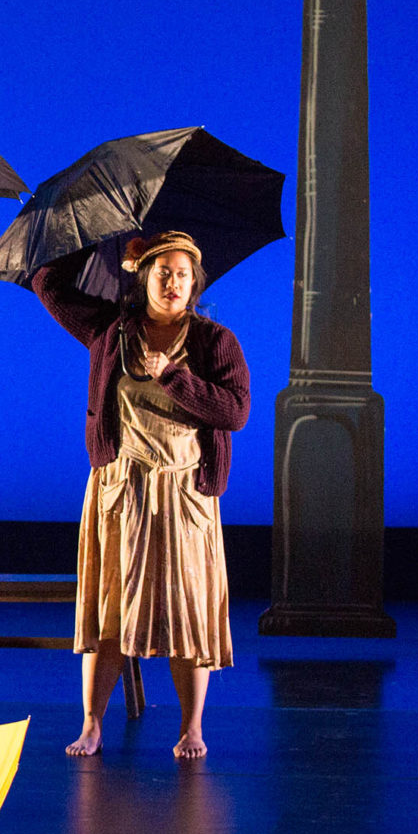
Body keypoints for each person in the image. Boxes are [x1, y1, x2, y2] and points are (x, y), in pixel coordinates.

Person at [33, 231, 249, 761]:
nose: (172, 282)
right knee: (108, 609)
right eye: (161, 272)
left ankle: (192, 727)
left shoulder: (214, 341)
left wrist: (173, 376)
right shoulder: (111, 331)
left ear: (195, 282)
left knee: (189, 613)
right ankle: (91, 723)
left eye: (181, 273)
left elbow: (235, 412)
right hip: (121, 488)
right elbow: (47, 284)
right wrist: (100, 238)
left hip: (185, 492)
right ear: (143, 276)